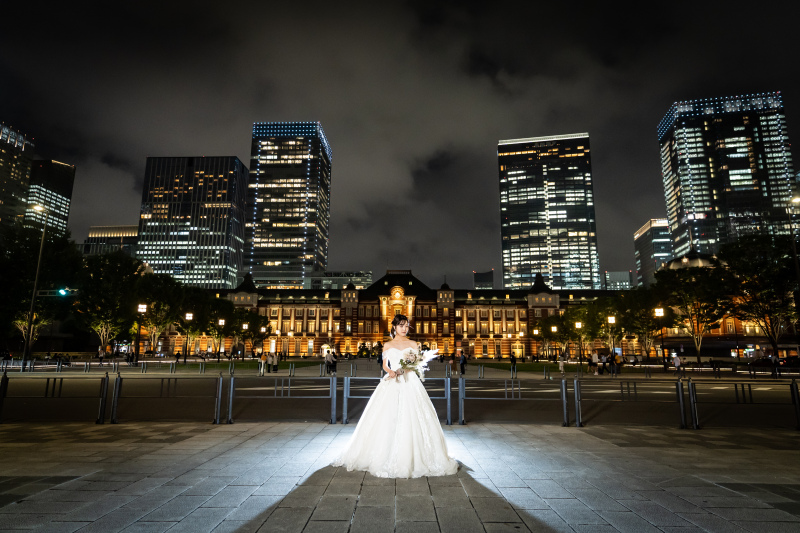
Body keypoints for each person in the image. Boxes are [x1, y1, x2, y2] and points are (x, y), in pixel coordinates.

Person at [331, 314, 458, 478]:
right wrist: (391, 371)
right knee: (386, 417)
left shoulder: (413, 344)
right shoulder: (387, 345)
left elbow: (415, 365)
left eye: (407, 326)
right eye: (401, 325)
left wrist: (402, 370)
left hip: (410, 382)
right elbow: (384, 364)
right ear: (394, 327)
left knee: (413, 415)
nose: (404, 329)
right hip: (393, 381)